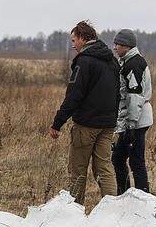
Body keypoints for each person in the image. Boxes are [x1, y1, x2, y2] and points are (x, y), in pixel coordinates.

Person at [49, 21, 120, 205]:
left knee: (78, 170)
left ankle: (75, 214)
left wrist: (57, 123)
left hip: (86, 125)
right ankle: (113, 210)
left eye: (74, 40)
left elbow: (74, 95)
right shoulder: (112, 60)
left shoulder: (84, 61)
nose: (73, 44)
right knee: (104, 168)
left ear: (83, 38)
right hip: (108, 125)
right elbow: (118, 92)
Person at [111, 29, 153, 194]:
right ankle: (125, 195)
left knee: (136, 161)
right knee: (118, 158)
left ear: (126, 46)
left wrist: (130, 126)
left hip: (136, 121)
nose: (114, 47)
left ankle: (144, 199)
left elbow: (134, 97)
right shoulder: (129, 61)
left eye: (117, 44)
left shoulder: (133, 64)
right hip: (134, 120)